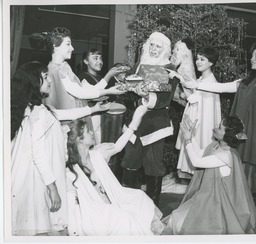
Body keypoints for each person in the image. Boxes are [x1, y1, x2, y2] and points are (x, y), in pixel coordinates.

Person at [192, 41, 256, 232]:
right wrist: (193, 84)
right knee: (239, 177)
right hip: (242, 137)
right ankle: (235, 214)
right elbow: (221, 88)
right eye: (252, 55)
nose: (251, 59)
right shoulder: (245, 83)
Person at [11, 61, 110, 236]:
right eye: (44, 77)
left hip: (34, 178)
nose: (49, 80)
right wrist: (53, 189)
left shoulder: (39, 109)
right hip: (37, 180)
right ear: (34, 83)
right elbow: (39, 155)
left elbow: (66, 114)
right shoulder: (39, 115)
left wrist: (93, 109)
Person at [65, 105, 164, 235]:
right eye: (87, 132)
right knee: (124, 218)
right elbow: (72, 201)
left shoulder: (97, 154)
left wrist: (134, 123)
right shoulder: (71, 170)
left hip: (112, 197)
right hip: (97, 209)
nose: (91, 133)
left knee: (139, 197)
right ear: (79, 140)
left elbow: (118, 147)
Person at [162, 115, 256, 234]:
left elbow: (196, 162)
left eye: (219, 128)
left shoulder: (226, 155)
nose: (215, 129)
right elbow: (200, 154)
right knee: (175, 217)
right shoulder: (216, 146)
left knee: (180, 223)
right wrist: (191, 135)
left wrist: (187, 140)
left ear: (227, 135)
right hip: (209, 196)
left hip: (218, 203)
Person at [120, 32, 179, 206]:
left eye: (158, 46)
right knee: (130, 160)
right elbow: (130, 88)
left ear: (164, 50)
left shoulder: (170, 68)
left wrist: (148, 96)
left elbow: (166, 98)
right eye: (152, 45)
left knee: (153, 164)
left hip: (155, 123)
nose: (153, 49)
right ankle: (129, 204)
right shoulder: (140, 64)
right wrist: (131, 88)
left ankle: (153, 207)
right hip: (135, 122)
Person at [43, 27, 126, 131]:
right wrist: (109, 91)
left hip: (77, 117)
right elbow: (80, 93)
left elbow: (87, 90)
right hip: (71, 122)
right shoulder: (55, 70)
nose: (72, 48)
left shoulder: (63, 66)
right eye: (68, 44)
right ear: (55, 46)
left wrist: (109, 82)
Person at [168, 47, 222, 179]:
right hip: (195, 119)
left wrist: (180, 78)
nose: (198, 61)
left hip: (201, 124)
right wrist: (180, 78)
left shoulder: (210, 82)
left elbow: (193, 99)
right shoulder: (201, 80)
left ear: (211, 63)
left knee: (197, 154)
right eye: (197, 58)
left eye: (202, 59)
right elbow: (192, 97)